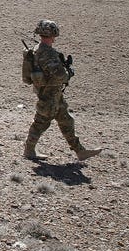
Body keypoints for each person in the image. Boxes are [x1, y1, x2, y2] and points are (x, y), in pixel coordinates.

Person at [23, 19, 102, 161]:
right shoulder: (48, 53)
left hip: (52, 94)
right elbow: (59, 75)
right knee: (41, 122)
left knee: (66, 121)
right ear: (53, 34)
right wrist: (68, 74)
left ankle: (80, 151)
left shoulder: (37, 50)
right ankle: (29, 150)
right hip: (49, 94)